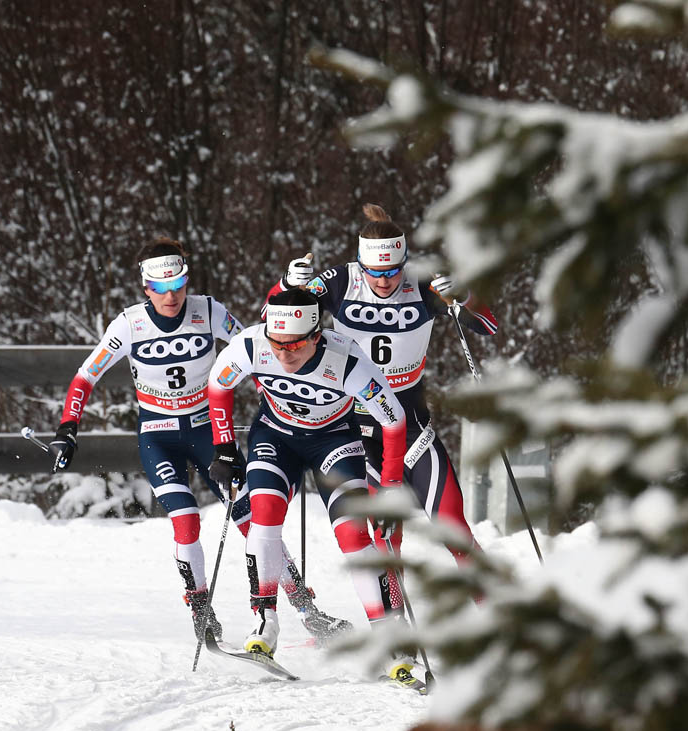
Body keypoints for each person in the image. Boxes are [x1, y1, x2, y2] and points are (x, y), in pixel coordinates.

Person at [48, 238, 348, 645]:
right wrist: (68, 427)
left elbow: (257, 350)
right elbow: (87, 376)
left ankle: (307, 610)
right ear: (145, 288)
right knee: (186, 521)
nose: (172, 296)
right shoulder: (129, 324)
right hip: (158, 435)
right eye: (161, 288)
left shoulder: (209, 311)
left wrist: (285, 403)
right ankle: (201, 610)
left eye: (179, 285)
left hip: (207, 431)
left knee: (254, 520)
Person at [268, 203, 499, 614]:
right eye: (374, 272)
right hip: (356, 426)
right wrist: (288, 283)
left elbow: (489, 326)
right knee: (384, 535)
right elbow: (278, 317)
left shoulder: (424, 282)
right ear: (361, 264)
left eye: (392, 271)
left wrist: (465, 295)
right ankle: (395, 628)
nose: (384, 280)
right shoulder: (339, 280)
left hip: (411, 424)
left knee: (454, 526)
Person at [206, 287, 422, 688]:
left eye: (295, 345)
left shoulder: (348, 361)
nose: (283, 353)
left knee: (354, 534)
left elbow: (393, 422)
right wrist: (224, 447)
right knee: (264, 519)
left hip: (335, 440)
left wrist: (389, 487)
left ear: (317, 337)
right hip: (276, 436)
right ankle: (264, 624)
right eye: (277, 342)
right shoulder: (251, 345)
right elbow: (218, 388)